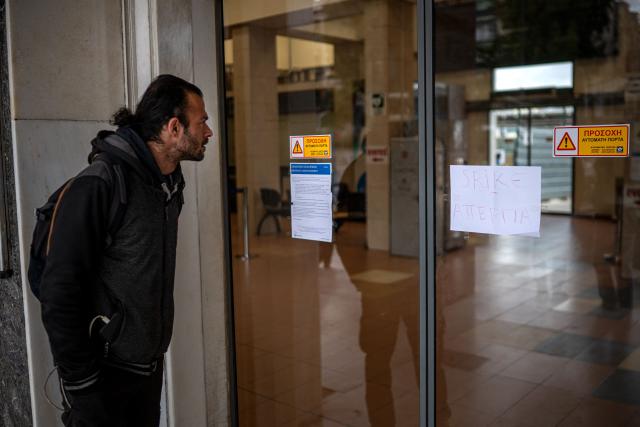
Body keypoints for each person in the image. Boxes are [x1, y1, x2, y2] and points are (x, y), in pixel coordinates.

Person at [39, 74, 213, 427]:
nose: (208, 132)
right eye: (203, 121)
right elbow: (59, 292)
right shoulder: (100, 185)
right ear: (174, 127)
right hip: (101, 378)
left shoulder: (167, 186)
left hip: (145, 370)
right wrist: (83, 385)